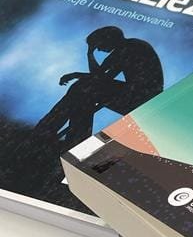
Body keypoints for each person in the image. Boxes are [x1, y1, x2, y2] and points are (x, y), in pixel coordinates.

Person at [35, 26, 164, 147]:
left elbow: (99, 78)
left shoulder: (131, 47)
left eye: (98, 45)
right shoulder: (125, 48)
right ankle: (70, 137)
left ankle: (55, 132)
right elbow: (98, 76)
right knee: (84, 89)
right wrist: (88, 56)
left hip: (143, 99)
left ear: (107, 39)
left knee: (83, 88)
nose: (99, 49)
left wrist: (77, 73)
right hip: (139, 96)